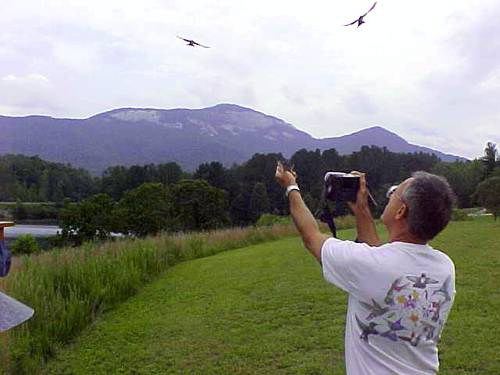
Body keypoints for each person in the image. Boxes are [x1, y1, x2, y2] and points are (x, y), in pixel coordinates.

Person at [275, 162, 456, 375]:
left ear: (401, 211)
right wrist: (361, 209)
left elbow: (311, 236)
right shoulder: (445, 268)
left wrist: (291, 186)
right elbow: (382, 261)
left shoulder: (374, 265)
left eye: (394, 193)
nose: (389, 196)